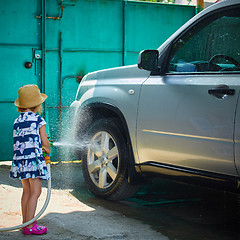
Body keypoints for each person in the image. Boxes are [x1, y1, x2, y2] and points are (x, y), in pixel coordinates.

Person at [10, 84, 51, 235]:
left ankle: (24, 224)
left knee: (26, 191)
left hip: (21, 161)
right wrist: (48, 150)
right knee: (36, 192)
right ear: (37, 104)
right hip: (33, 161)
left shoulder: (17, 121)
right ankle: (31, 225)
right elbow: (45, 143)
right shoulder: (38, 120)